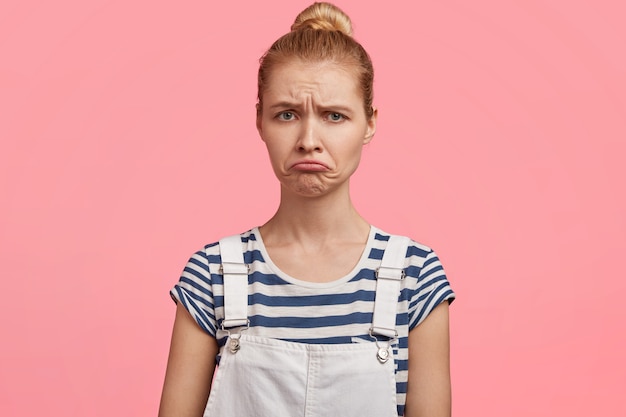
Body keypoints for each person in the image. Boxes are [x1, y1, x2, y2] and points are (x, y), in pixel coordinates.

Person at [158, 2, 455, 416]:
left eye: (335, 115)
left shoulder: (414, 274)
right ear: (259, 120)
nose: (308, 139)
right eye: (287, 114)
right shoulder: (213, 274)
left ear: (369, 123)